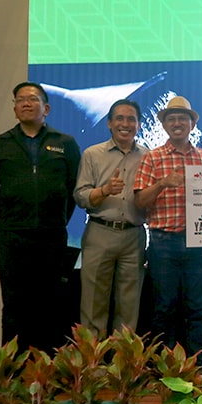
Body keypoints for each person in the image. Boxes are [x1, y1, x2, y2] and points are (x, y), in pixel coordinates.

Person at [0, 81, 81, 352]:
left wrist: (56, 220)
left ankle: (49, 368)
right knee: (14, 304)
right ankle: (12, 369)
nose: (26, 103)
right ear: (14, 108)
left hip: (52, 237)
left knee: (51, 303)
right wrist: (5, 227)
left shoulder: (66, 144)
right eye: (20, 99)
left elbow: (73, 190)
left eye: (33, 99)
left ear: (45, 107)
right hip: (13, 237)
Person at [133, 96, 202, 359]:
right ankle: (165, 368)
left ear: (192, 124)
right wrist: (162, 184)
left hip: (197, 244)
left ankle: (198, 367)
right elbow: (139, 202)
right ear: (165, 125)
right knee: (163, 308)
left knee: (197, 309)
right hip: (163, 243)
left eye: (183, 118)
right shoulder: (152, 158)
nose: (177, 123)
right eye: (172, 118)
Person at [73, 99, 148, 338]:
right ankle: (91, 367)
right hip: (100, 233)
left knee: (129, 306)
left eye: (131, 119)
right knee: (93, 303)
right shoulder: (92, 154)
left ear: (138, 124)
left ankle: (122, 368)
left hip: (134, 236)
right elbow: (80, 196)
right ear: (109, 123)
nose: (125, 124)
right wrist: (104, 190)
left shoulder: (148, 156)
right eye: (120, 119)